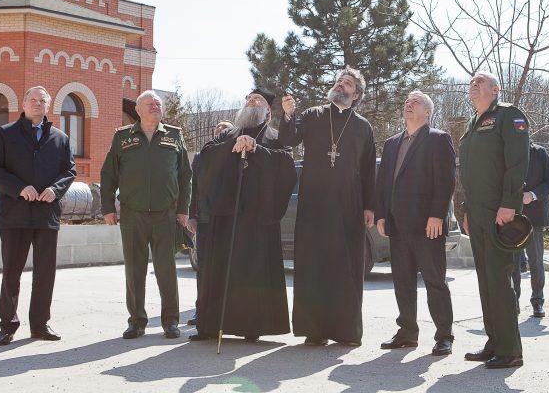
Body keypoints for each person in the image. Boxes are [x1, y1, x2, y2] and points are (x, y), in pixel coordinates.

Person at [279, 66, 377, 346]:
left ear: (356, 94)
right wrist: (288, 115)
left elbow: (369, 170)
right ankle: (314, 331)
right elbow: (288, 140)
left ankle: (346, 331)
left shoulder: (363, 126)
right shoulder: (313, 115)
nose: (341, 85)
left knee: (346, 267)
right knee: (313, 266)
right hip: (314, 204)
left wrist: (369, 206)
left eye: (347, 83)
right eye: (339, 81)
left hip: (348, 205)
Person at [190, 87, 297, 342]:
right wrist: (233, 145)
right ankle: (211, 326)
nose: (251, 102)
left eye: (257, 100)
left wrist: (257, 149)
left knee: (254, 272)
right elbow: (205, 159)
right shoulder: (227, 135)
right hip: (226, 216)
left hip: (257, 219)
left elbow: (286, 168)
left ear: (268, 110)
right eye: (248, 99)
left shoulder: (275, 137)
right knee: (219, 270)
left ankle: (252, 326)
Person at [0, 86, 76, 346]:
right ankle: (7, 326)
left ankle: (40, 324)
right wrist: (18, 188)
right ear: (24, 104)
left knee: (45, 273)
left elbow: (69, 171)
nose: (37, 103)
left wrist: (55, 190)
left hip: (46, 215)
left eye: (42, 100)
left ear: (48, 105)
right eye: (33, 99)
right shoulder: (5, 134)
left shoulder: (60, 138)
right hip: (15, 214)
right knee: (11, 273)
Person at [100, 90, 192, 340]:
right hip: (133, 214)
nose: (155, 106)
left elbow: (185, 175)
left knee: (166, 270)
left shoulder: (174, 135)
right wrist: (107, 207)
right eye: (149, 104)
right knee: (134, 270)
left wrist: (183, 210)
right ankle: (137, 321)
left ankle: (171, 321)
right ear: (138, 110)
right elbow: (108, 174)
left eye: (158, 103)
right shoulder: (122, 137)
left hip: (166, 214)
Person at [375, 91, 455, 355]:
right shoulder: (391, 143)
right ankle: (407, 333)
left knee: (435, 281)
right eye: (407, 102)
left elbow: (445, 180)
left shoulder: (438, 139)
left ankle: (444, 336)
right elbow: (383, 182)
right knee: (403, 281)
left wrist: (437, 215)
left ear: (427, 112)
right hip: (397, 224)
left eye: (416, 102)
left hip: (427, 225)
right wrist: (381, 215)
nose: (409, 104)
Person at [458, 72, 529, 369]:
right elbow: (470, 172)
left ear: (496, 89)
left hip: (499, 212)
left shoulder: (508, 116)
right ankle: (494, 342)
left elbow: (517, 162)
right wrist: (466, 210)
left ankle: (510, 350)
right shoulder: (472, 123)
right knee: (486, 281)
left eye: (480, 81)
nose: (474, 84)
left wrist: (509, 204)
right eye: (471, 82)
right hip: (476, 213)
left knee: (499, 279)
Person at [187, 120, 234, 326]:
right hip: (205, 221)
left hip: (229, 222)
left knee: (226, 268)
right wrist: (192, 216)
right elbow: (193, 189)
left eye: (225, 128)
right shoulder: (200, 157)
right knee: (204, 269)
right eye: (217, 129)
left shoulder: (237, 154)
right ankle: (202, 312)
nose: (220, 130)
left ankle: (226, 314)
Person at [512, 142, 549, 318]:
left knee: (536, 260)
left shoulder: (539, 153)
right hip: (512, 216)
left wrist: (533, 195)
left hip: (535, 216)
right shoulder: (506, 150)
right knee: (513, 263)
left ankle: (538, 301)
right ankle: (513, 301)